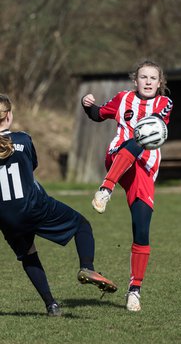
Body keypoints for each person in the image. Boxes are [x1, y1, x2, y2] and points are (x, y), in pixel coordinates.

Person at [0, 94, 117, 317]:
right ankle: (87, 268)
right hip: (33, 206)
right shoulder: (23, 139)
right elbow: (31, 166)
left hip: (5, 215)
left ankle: (51, 305)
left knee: (28, 254)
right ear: (8, 116)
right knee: (81, 225)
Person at [82, 59, 173, 312]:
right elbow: (98, 114)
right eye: (143, 77)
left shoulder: (165, 103)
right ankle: (105, 189)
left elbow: (153, 127)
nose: (147, 82)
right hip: (117, 158)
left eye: (152, 78)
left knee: (141, 229)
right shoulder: (123, 98)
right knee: (135, 141)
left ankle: (134, 291)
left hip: (144, 169)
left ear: (159, 82)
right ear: (135, 80)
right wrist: (87, 104)